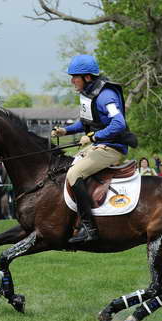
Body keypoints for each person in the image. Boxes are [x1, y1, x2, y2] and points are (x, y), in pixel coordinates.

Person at [51, 54, 134, 244]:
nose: (72, 80)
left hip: (112, 147)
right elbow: (86, 123)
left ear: (87, 77)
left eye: (75, 76)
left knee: (74, 174)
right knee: (67, 169)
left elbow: (119, 123)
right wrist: (65, 130)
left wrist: (93, 137)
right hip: (99, 145)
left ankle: (90, 229)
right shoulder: (89, 94)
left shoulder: (106, 96)